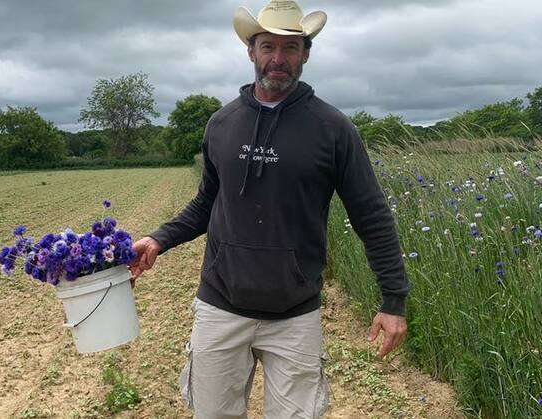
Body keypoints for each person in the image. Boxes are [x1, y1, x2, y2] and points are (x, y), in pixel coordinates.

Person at [128, 1, 411, 417]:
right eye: (267, 47)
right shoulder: (221, 124)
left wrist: (393, 300)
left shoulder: (333, 129)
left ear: (306, 54)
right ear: (251, 51)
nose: (278, 59)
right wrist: (159, 238)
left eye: (291, 47)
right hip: (220, 305)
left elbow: (371, 215)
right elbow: (208, 201)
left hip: (295, 313)